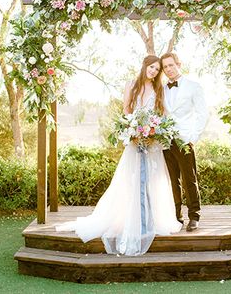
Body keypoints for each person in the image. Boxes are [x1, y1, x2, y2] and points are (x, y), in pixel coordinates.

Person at [56, 55, 182, 256]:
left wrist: (157, 131)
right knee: (132, 180)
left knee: (152, 180)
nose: (154, 71)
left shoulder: (159, 89)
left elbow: (162, 113)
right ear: (145, 66)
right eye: (152, 67)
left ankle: (151, 219)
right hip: (135, 139)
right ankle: (133, 219)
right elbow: (126, 109)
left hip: (152, 142)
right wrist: (133, 130)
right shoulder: (131, 85)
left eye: (157, 70)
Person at [160, 52, 208, 232]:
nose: (168, 69)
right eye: (165, 67)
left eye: (171, 65)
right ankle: (176, 216)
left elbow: (203, 114)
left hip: (184, 140)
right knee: (172, 180)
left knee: (189, 179)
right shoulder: (162, 89)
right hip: (165, 141)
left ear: (179, 64)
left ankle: (194, 216)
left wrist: (192, 137)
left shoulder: (193, 86)